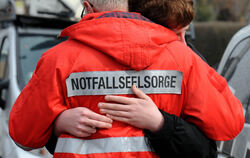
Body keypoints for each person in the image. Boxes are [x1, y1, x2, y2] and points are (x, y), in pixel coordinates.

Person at [9, 0, 244, 158]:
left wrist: (57, 122)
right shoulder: (183, 59)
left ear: (87, 7)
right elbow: (230, 123)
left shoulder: (57, 60)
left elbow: (22, 134)